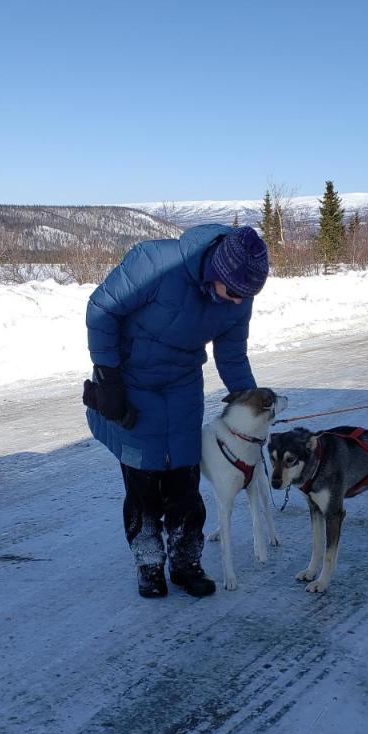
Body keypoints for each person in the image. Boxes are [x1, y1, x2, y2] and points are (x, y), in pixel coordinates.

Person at [84, 224, 269, 598]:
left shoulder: (240, 292)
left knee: (184, 481)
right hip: (131, 383)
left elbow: (231, 354)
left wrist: (251, 403)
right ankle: (149, 565)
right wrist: (108, 378)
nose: (238, 301)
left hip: (183, 386)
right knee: (144, 483)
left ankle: (187, 561)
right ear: (218, 271)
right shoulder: (155, 262)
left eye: (246, 296)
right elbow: (101, 309)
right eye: (234, 292)